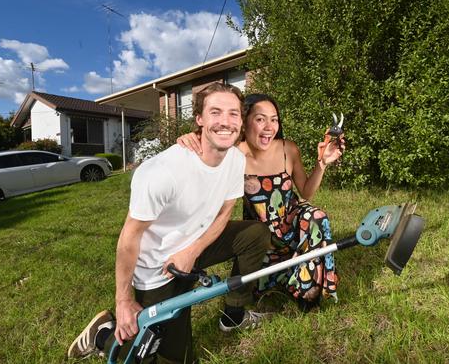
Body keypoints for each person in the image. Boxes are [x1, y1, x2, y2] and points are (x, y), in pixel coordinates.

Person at [67, 83, 271, 364]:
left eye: (233, 114)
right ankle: (103, 334)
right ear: (199, 119)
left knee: (255, 234)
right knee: (162, 357)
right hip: (157, 268)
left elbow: (225, 212)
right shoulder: (163, 172)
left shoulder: (235, 159)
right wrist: (124, 301)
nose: (226, 121)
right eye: (216, 112)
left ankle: (234, 314)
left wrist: (192, 251)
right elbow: (129, 237)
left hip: (195, 246)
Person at [178, 93, 344, 311]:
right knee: (259, 275)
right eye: (260, 119)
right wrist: (191, 139)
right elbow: (204, 169)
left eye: (274, 119)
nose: (269, 127)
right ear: (244, 123)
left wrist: (322, 163)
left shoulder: (288, 149)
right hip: (261, 236)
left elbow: (306, 192)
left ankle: (306, 289)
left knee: (316, 216)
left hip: (291, 225)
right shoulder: (233, 155)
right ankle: (277, 277)